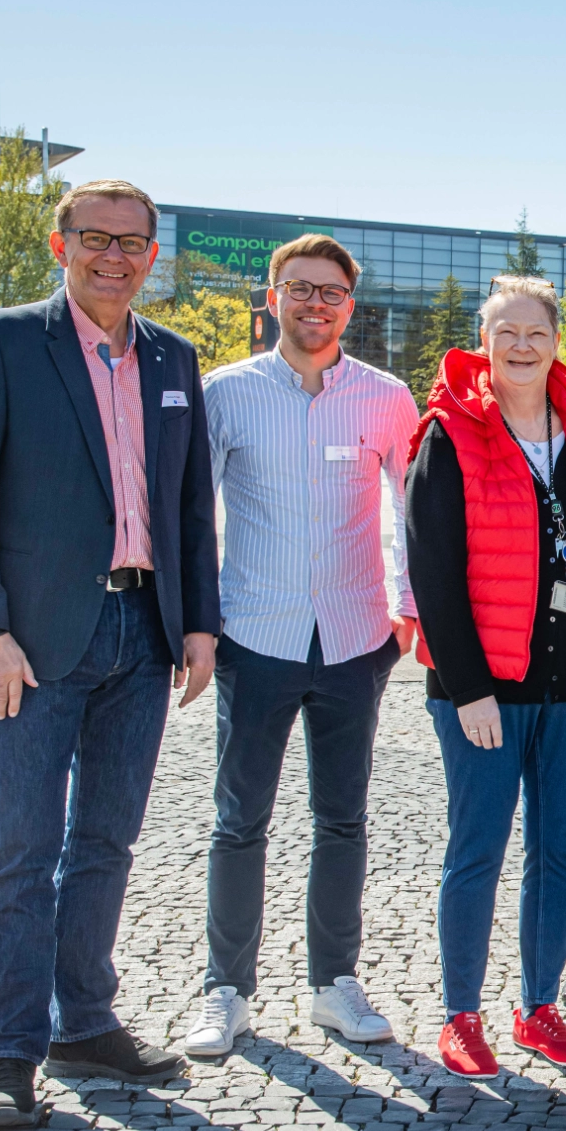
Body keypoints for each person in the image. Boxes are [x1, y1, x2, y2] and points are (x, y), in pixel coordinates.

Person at [0, 178, 221, 1130]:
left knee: (107, 838)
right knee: (23, 845)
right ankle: (8, 1049)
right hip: (34, 641)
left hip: (142, 635)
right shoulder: (3, 341)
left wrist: (198, 623)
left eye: (132, 241)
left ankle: (84, 1022)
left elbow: (188, 507)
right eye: (94, 237)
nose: (114, 254)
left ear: (151, 254)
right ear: (61, 246)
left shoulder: (175, 359)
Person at [185, 234, 419, 1060]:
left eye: (331, 293)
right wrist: (199, 625)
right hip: (257, 634)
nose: (315, 304)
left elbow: (412, 508)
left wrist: (408, 610)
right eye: (300, 288)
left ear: (350, 306)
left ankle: (334, 983)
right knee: (238, 818)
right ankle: (226, 989)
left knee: (343, 818)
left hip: (357, 639)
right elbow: (191, 516)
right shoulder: (226, 394)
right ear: (273, 295)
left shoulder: (389, 398)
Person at [405, 276, 566, 1079]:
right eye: (504, 331)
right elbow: (432, 573)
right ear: (484, 339)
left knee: (560, 849)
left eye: (535, 332)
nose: (519, 346)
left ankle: (539, 1006)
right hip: (486, 691)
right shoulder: (450, 432)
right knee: (476, 847)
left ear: (556, 338)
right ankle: (462, 1014)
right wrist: (468, 686)